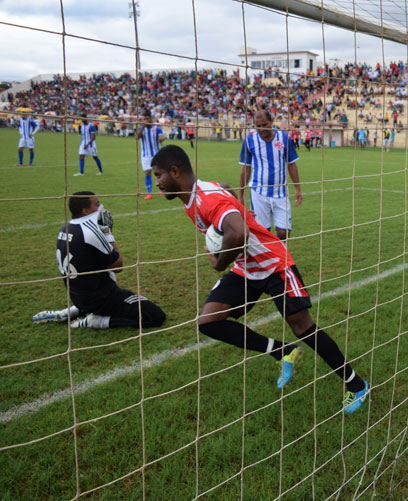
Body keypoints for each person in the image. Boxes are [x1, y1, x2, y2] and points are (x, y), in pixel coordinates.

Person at [150, 145, 369, 414]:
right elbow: (226, 190)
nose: (157, 183)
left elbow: (238, 233)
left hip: (274, 263)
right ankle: (281, 351)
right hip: (246, 269)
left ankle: (356, 385)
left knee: (302, 327)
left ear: (175, 171)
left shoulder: (207, 199)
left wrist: (218, 263)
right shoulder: (195, 197)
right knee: (209, 321)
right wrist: (231, 199)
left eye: (158, 175)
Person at [32, 191, 166, 328]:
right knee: (155, 315)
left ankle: (73, 310)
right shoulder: (89, 231)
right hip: (101, 299)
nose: (101, 207)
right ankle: (97, 321)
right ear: (85, 211)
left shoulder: (64, 228)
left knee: (99, 268)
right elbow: (118, 265)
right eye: (97, 204)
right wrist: (108, 233)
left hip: (78, 297)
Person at [238, 110, 302, 241]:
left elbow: (291, 164)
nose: (261, 129)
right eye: (258, 126)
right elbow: (246, 168)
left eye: (264, 124)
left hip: (281, 192)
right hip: (259, 192)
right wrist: (241, 194)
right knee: (263, 232)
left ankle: (275, 253)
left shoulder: (284, 138)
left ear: (272, 121)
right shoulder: (249, 141)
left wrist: (297, 189)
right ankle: (271, 258)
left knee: (284, 232)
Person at [135, 110, 164, 200]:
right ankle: (149, 193)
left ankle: (162, 190)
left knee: (159, 173)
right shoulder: (140, 128)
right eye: (144, 119)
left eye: (147, 118)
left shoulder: (157, 128)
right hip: (145, 155)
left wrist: (161, 139)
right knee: (148, 173)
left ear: (151, 119)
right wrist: (143, 126)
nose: (146, 120)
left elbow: (161, 137)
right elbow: (136, 137)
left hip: (156, 154)